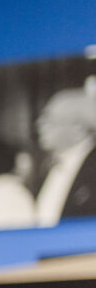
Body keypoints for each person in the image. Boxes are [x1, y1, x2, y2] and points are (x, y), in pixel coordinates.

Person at [34, 86, 96, 226]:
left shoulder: (93, 170)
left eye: (50, 119)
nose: (39, 125)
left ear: (78, 129)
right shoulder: (47, 168)